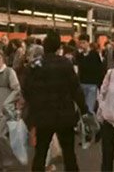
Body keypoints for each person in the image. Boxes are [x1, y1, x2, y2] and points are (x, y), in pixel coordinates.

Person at [23, 30, 87, 171]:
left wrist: (33, 105)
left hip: (42, 115)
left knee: (40, 152)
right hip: (64, 114)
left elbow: (26, 88)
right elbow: (76, 89)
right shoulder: (66, 64)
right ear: (59, 47)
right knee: (69, 153)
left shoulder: (34, 65)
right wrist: (84, 110)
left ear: (44, 46)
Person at [0, 51, 21, 170]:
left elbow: (17, 89)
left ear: (3, 60)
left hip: (6, 111)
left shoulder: (9, 72)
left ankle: (8, 159)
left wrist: (7, 103)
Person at [75, 34, 104, 114]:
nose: (82, 45)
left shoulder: (94, 54)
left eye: (84, 43)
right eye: (80, 43)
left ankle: (90, 124)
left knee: (90, 108)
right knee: (82, 108)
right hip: (82, 83)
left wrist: (100, 84)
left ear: (88, 43)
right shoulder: (79, 55)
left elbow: (99, 69)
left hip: (92, 84)